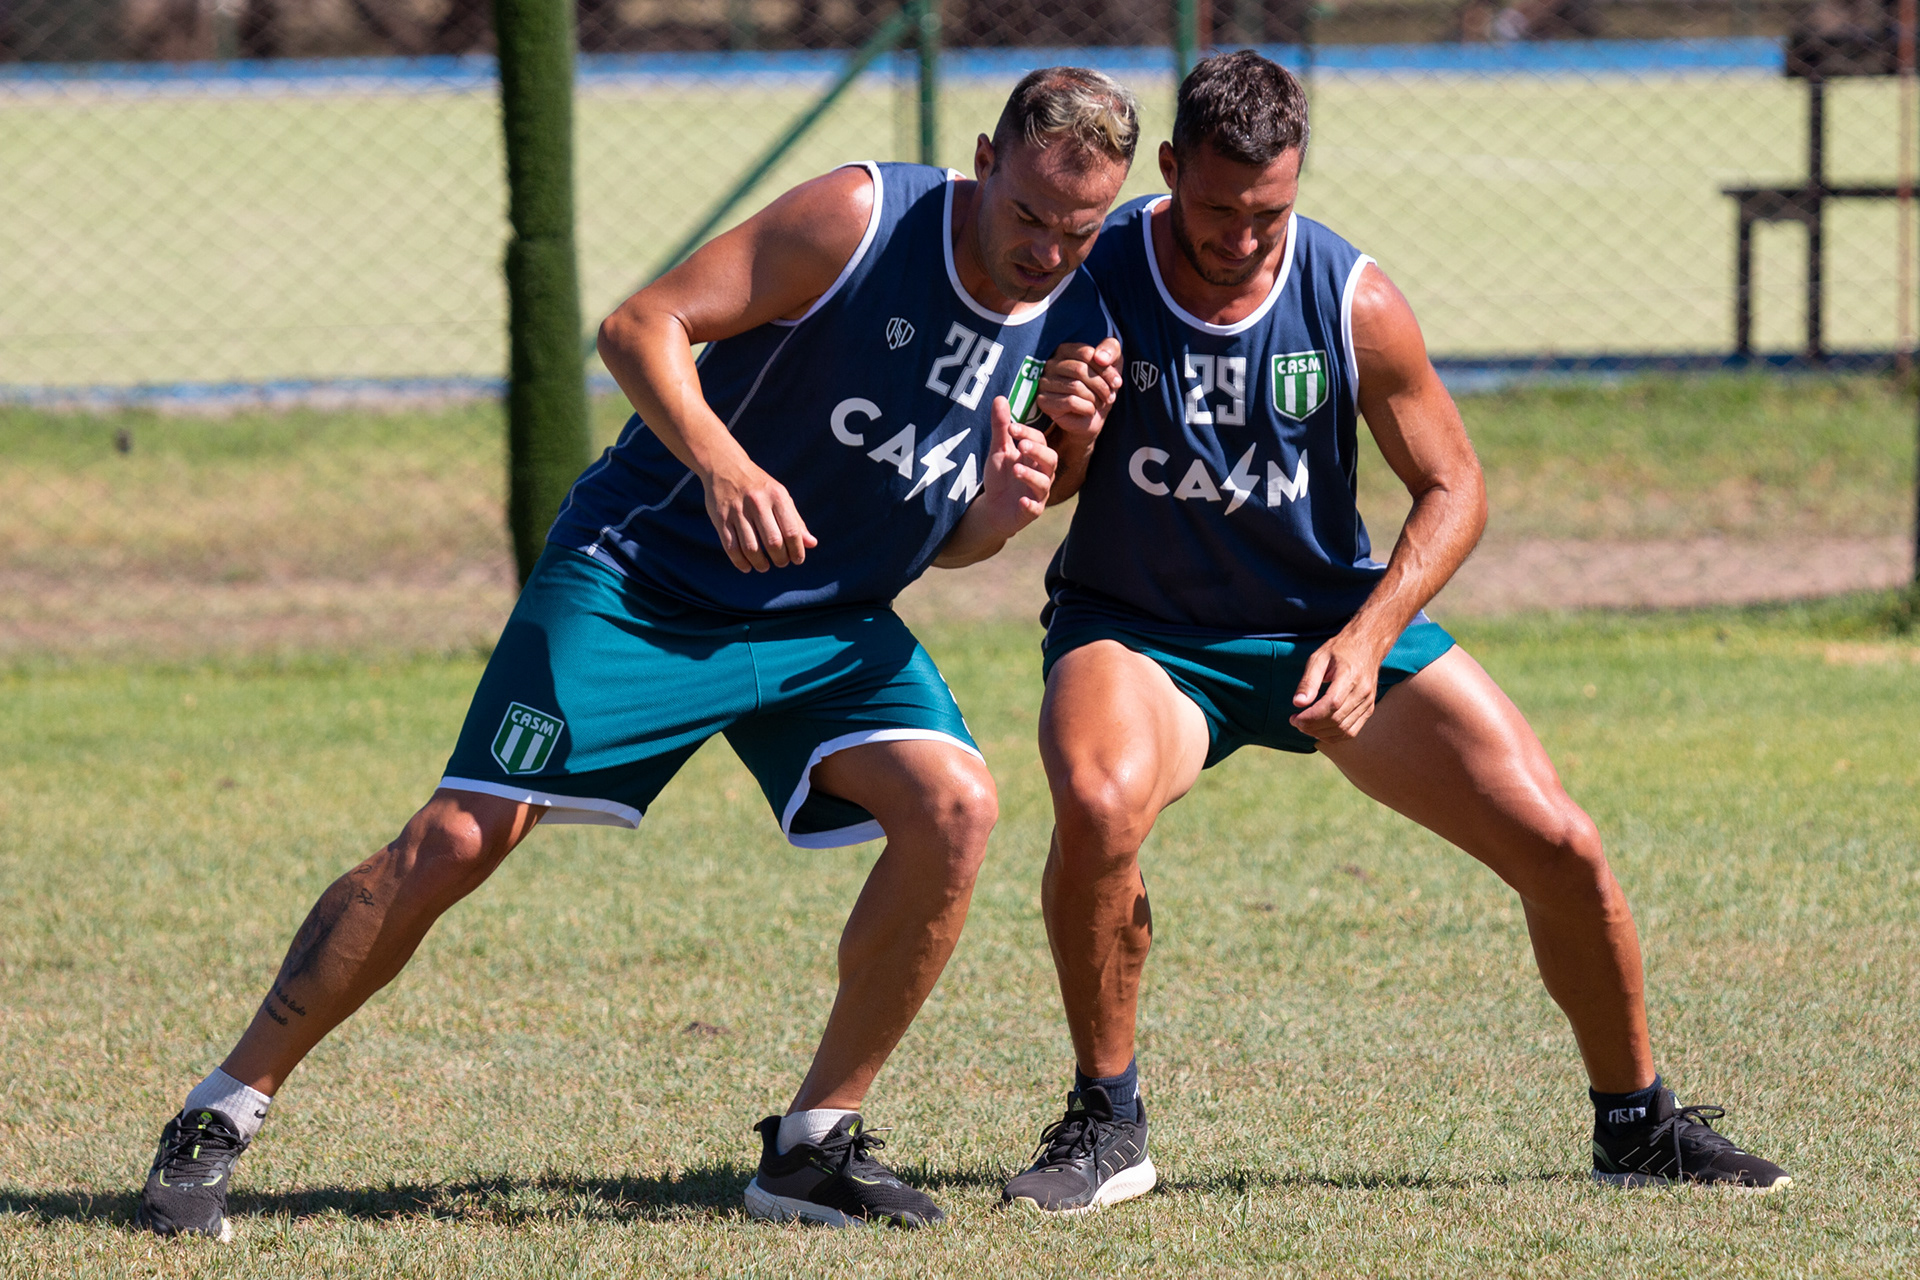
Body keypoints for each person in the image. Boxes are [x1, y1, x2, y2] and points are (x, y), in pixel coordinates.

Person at [135, 65, 1138, 1240]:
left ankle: (812, 1145)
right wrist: (720, 461)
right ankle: (218, 1114)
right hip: (644, 580)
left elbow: (949, 528)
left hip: (823, 620)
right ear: (983, 159)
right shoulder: (861, 219)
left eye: (1078, 230)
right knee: (461, 832)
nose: (1046, 250)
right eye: (1027, 214)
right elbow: (637, 325)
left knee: (957, 806)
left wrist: (1021, 499)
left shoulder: (1075, 321)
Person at [999, 50, 1790, 1214]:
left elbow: (1455, 485)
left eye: (1269, 210)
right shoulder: (1093, 276)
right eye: (1216, 209)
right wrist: (1064, 426)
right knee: (1097, 800)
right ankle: (1107, 1122)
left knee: (1562, 844)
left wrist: (1369, 639)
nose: (1243, 237)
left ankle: (1638, 1123)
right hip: (1143, 631)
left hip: (1329, 622)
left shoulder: (1349, 295)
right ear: (1168, 172)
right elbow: (1038, 484)